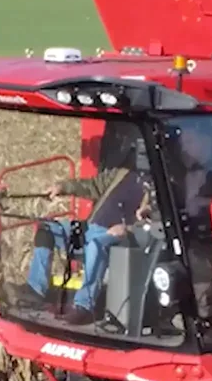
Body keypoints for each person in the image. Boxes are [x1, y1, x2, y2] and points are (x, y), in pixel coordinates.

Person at [24, 139, 154, 325]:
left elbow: (155, 221)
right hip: (89, 228)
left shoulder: (160, 188)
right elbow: (92, 185)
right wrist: (64, 187)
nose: (141, 158)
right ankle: (36, 290)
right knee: (47, 229)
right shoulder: (121, 174)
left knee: (96, 244)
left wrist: (128, 228)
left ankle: (84, 306)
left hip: (120, 236)